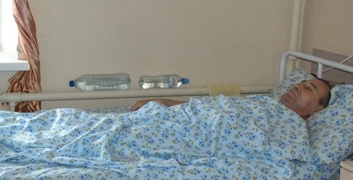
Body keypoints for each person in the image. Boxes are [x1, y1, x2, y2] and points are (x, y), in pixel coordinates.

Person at [132, 77, 332, 119]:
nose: (297, 85)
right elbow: (210, 107)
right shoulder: (263, 103)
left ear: (317, 109)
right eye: (301, 83)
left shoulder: (290, 130)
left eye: (309, 88)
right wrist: (164, 102)